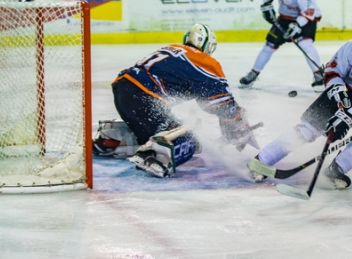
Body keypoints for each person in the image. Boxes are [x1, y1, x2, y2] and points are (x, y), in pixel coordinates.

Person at [247, 19, 352, 189]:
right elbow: (333, 69)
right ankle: (262, 160)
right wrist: (337, 88)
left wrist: (347, 118)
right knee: (309, 127)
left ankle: (337, 169)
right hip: (347, 89)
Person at [94, 24, 257, 178]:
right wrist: (237, 123)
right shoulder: (204, 61)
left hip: (122, 91)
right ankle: (154, 157)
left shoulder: (172, 48)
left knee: (155, 129)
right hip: (145, 97)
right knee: (189, 139)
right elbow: (222, 103)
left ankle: (111, 140)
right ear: (206, 44)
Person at [239, 0, 325, 91]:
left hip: (306, 18)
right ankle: (253, 73)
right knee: (269, 45)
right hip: (285, 18)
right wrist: (267, 7)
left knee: (305, 44)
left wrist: (297, 25)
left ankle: (318, 75)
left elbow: (309, 10)